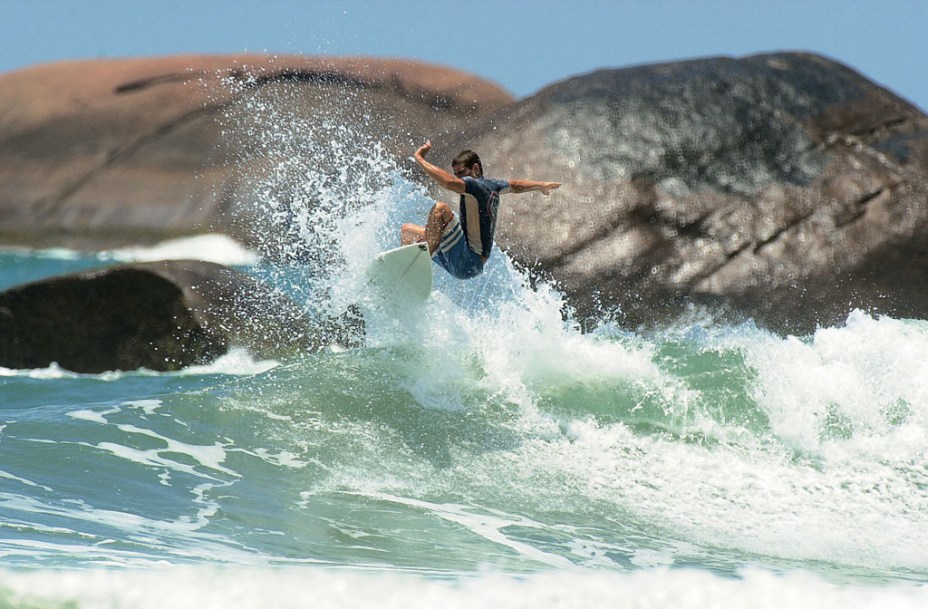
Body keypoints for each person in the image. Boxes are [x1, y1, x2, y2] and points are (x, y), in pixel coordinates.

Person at [401, 141, 561, 280]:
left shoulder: (474, 185)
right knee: (407, 232)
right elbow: (516, 185)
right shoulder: (494, 186)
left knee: (440, 209)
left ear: (476, 168)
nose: (459, 179)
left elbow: (448, 182)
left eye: (462, 173)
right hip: (466, 263)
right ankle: (407, 272)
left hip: (468, 260)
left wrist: (420, 159)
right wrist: (541, 185)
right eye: (456, 175)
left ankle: (413, 265)